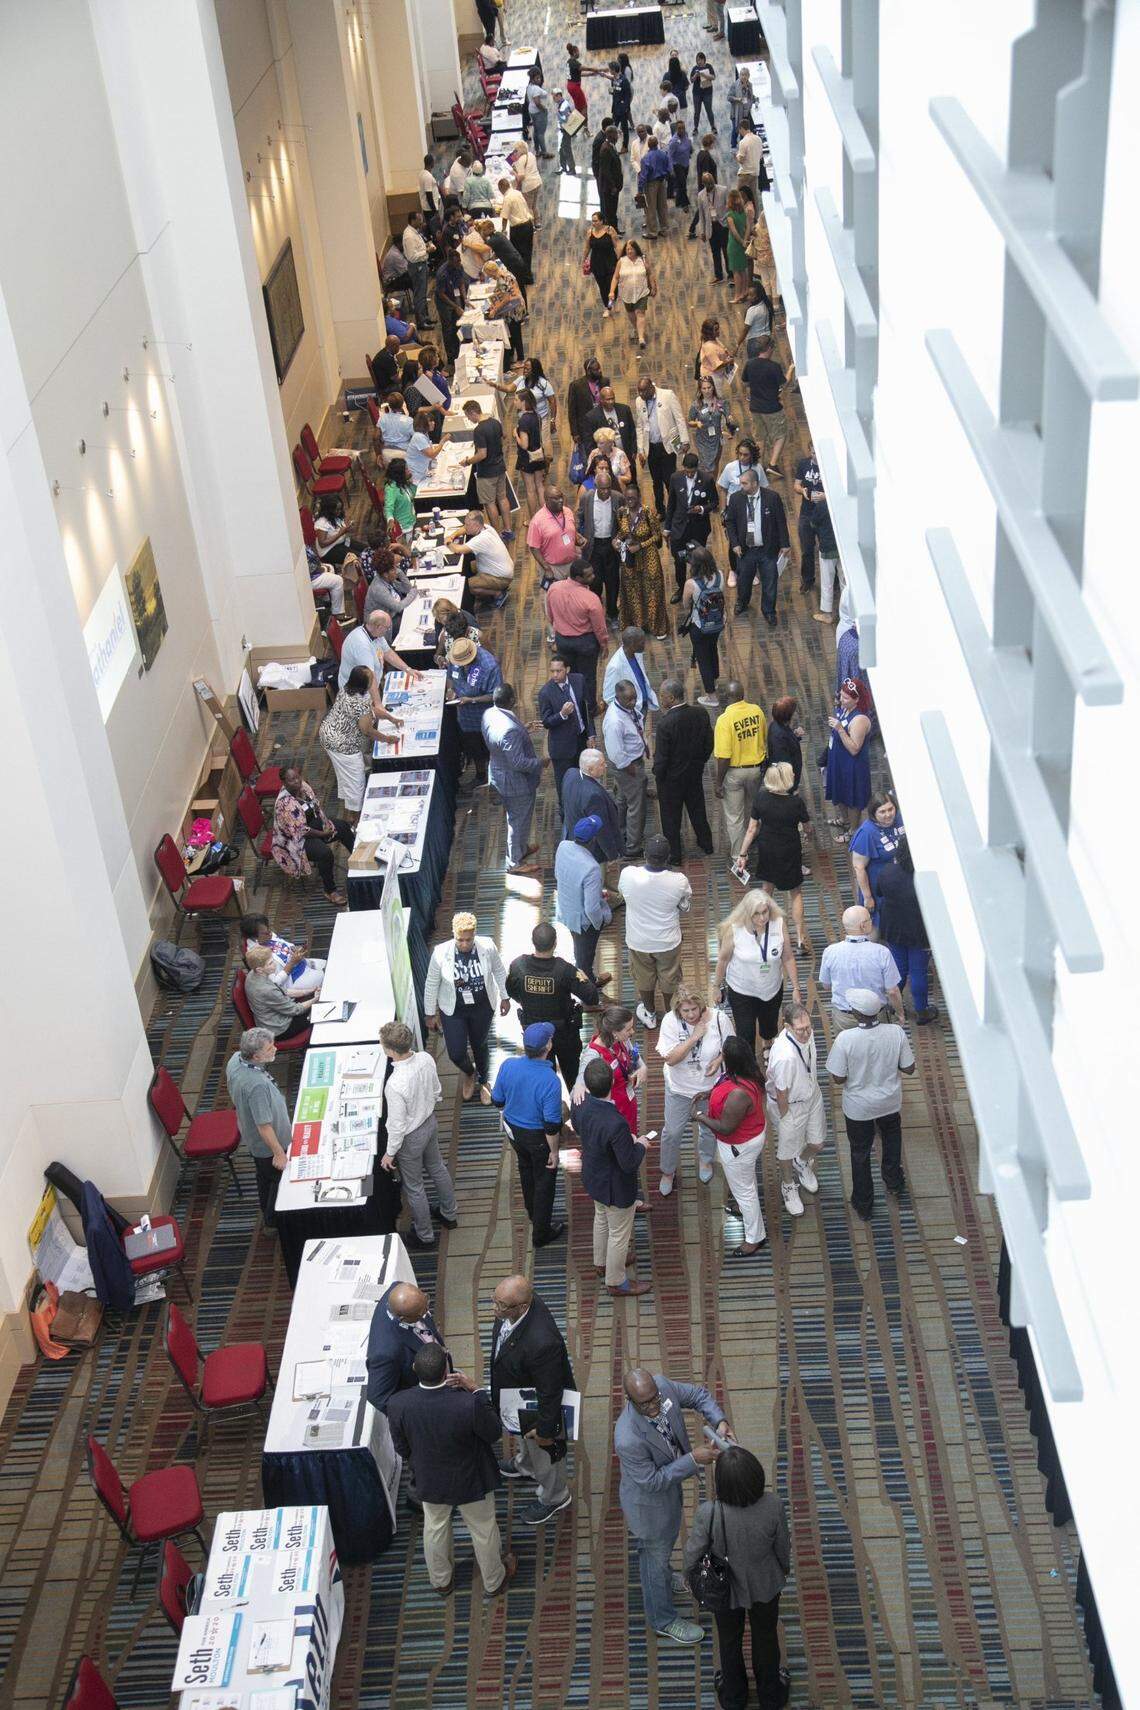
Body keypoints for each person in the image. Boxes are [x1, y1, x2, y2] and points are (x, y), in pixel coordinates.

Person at [386, 1344, 516, 1602]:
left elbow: (401, 1447)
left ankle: (441, 1581)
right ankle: (493, 1581)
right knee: (483, 1528)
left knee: (435, 1527)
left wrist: (422, 1464)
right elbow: (492, 1433)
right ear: (447, 1371)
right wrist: (477, 1390)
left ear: (415, 1369)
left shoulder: (398, 1403)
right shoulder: (468, 1403)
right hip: (471, 1479)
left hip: (430, 1479)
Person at [614, 1368, 729, 1644]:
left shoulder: (663, 1386)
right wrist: (693, 1459)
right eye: (645, 1404)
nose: (654, 1407)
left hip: (668, 1493)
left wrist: (720, 1421)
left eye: (655, 1398)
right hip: (649, 1507)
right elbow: (653, 1481)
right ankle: (663, 1620)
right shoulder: (627, 1438)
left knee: (662, 1551)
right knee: (654, 1558)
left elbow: (698, 1395)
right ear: (629, 1400)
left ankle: (665, 1577)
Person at [682, 1447, 792, 1710]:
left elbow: (693, 1551)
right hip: (765, 1583)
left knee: (729, 1640)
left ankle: (733, 1696)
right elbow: (782, 1546)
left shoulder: (709, 1512)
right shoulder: (773, 1505)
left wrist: (689, 1575)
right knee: (766, 1637)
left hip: (725, 1589)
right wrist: (783, 1570)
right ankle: (771, 1695)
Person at [489, 1276, 576, 1524]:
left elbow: (550, 1392)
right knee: (523, 1439)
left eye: (500, 1305)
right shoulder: (515, 1307)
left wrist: (546, 1430)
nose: (494, 1309)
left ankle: (555, 1496)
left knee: (546, 1454)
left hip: (539, 1408)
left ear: (522, 1307)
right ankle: (525, 1465)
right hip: (518, 1395)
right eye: (494, 1300)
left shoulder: (543, 1342)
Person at [827, 988, 916, 1219]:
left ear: (856, 1014)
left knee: (860, 1153)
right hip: (890, 1102)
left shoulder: (845, 1039)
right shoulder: (896, 1032)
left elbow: (838, 1078)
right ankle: (894, 1181)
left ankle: (864, 1203)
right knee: (892, 1141)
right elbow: (909, 1068)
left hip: (858, 1108)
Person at [573, 1058, 652, 1296]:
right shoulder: (616, 1123)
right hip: (615, 1187)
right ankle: (616, 1282)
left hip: (593, 1176)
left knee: (601, 1217)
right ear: (611, 1084)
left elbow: (578, 1128)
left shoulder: (580, 1103)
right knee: (619, 1234)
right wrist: (640, 1145)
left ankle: (601, 1262)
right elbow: (628, 1162)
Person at [378, 1021, 458, 1251]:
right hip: (430, 1123)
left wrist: (389, 1153)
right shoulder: (425, 1058)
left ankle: (425, 1236)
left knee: (414, 1187)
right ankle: (449, 1214)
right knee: (437, 1168)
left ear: (391, 1050)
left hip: (410, 1138)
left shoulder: (394, 1084)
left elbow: (397, 1125)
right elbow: (436, 1089)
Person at [490, 1023, 566, 1247]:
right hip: (538, 1138)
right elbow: (551, 1125)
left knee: (525, 1169)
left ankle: (533, 1212)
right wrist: (554, 1152)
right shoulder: (550, 1080)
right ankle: (541, 1233)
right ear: (548, 1046)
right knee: (544, 1182)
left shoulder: (508, 1065)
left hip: (514, 1132)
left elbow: (497, 1100)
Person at [693, 1033, 769, 1253]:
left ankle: (755, 1237)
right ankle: (744, 1207)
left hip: (739, 1145)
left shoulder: (738, 1094)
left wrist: (699, 1117)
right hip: (748, 1138)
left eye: (722, 1054)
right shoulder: (743, 1073)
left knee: (745, 1191)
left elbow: (725, 1127)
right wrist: (709, 1094)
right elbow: (723, 1085)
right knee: (745, 1182)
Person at [424, 913, 509, 1102]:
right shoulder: (440, 952)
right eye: (460, 939)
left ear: (474, 934)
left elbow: (499, 971)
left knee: (480, 1044)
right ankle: (470, 1072)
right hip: (454, 1010)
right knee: (455, 1053)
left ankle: (484, 1080)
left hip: (482, 1007)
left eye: (468, 940)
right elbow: (431, 983)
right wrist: (429, 1013)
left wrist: (505, 996)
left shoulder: (487, 946)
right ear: (453, 934)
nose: (464, 944)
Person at [656, 986, 732, 1195]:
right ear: (678, 1010)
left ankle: (706, 1160)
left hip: (710, 1089)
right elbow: (671, 1059)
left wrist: (719, 1059)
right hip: (679, 1090)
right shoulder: (670, 1022)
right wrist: (694, 1038)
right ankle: (668, 1171)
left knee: (709, 1128)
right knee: (672, 1132)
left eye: (694, 1009)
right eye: (685, 1011)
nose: (690, 1015)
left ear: (701, 1006)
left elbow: (730, 1046)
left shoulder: (719, 1019)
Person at [507, 922, 601, 1090]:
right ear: (555, 943)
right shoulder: (565, 970)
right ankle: (576, 1102)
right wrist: (585, 979)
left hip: (535, 1034)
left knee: (543, 1081)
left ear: (533, 942)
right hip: (565, 1033)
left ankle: (550, 1104)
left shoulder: (518, 966)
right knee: (573, 1077)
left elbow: (512, 992)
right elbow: (592, 997)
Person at [711, 890, 801, 1060]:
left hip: (771, 988)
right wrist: (716, 986)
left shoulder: (778, 924)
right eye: (756, 914)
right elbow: (723, 960)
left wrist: (796, 987)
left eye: (765, 912)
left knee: (769, 1024)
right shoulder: (734, 929)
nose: (762, 918)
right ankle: (749, 1063)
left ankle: (768, 1044)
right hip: (741, 990)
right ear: (747, 913)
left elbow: (788, 957)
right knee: (745, 1031)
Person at [736, 762, 812, 951]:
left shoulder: (761, 798)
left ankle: (761, 930)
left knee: (767, 889)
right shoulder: (796, 803)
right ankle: (800, 937)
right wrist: (808, 834)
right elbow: (808, 827)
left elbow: (752, 829)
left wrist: (742, 853)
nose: (794, 775)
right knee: (795, 892)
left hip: (768, 847)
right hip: (790, 849)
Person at [618, 835, 692, 1029]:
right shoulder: (679, 880)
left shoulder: (628, 874)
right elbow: (685, 905)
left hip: (638, 940)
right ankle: (671, 1016)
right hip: (668, 941)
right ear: (668, 858)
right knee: (670, 978)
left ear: (645, 854)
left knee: (644, 977)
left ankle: (650, 1013)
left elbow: (623, 894)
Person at [765, 1002, 826, 1219]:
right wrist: (785, 1118)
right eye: (800, 1030)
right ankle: (788, 1184)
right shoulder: (785, 1056)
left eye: (808, 1027)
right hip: (790, 1105)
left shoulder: (807, 1035)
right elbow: (781, 1093)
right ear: (787, 1027)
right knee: (786, 1151)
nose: (806, 1033)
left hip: (812, 1094)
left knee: (817, 1143)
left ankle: (801, 1162)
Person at [226, 1028, 290, 1228]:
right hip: (268, 1146)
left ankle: (268, 1215)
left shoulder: (236, 1059)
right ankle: (272, 1221)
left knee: (264, 1178)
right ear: (256, 1056)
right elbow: (264, 1126)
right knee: (277, 1181)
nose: (275, 1049)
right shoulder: (257, 1086)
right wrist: (278, 1153)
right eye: (270, 1049)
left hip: (251, 1135)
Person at [365, 1280, 450, 1418]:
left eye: (426, 1301)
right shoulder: (386, 1353)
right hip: (426, 1394)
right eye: (421, 1314)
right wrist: (415, 1416)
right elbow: (378, 1397)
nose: (427, 1313)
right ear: (403, 1318)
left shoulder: (399, 1289)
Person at [270, 765, 353, 905]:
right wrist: (324, 833)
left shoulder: (303, 787)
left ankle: (358, 859)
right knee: (325, 854)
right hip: (295, 841)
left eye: (297, 777)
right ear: (284, 783)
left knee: (343, 827)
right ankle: (330, 891)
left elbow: (315, 807)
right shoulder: (285, 804)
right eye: (291, 780)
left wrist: (325, 824)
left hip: (312, 826)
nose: (296, 781)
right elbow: (301, 831)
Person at [318, 666, 397, 813]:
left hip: (327, 734)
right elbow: (367, 730)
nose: (374, 680)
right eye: (371, 678)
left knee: (345, 774)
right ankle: (355, 815)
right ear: (363, 683)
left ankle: (349, 805)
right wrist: (387, 739)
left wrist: (390, 718)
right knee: (356, 781)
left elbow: (371, 711)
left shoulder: (346, 689)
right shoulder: (358, 703)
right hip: (343, 745)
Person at [482, 683, 542, 875]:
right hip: (515, 782)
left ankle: (521, 849)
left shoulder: (489, 713)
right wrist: (540, 763)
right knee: (518, 821)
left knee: (518, 818)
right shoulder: (510, 730)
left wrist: (523, 730)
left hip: (498, 773)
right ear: (512, 701)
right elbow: (518, 763)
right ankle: (514, 863)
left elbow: (499, 742)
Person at [653, 676, 714, 860]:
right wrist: (700, 762)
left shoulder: (665, 724)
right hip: (694, 774)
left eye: (662, 696)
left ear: (671, 698)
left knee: (671, 817)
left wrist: (658, 775)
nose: (660, 699)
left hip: (671, 780)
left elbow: (662, 758)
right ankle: (706, 844)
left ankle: (675, 854)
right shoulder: (700, 713)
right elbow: (709, 743)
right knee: (698, 810)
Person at [877, 842, 939, 1024]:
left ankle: (894, 1003)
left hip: (894, 928)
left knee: (899, 968)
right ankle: (922, 1010)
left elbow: (879, 892)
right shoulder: (925, 879)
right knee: (918, 971)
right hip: (920, 932)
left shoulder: (887, 872)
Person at [819, 905, 905, 1030]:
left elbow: (826, 985)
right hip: (875, 1016)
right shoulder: (882, 952)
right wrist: (900, 1013)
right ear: (863, 925)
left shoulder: (830, 951)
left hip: (844, 1017)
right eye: (870, 919)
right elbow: (892, 991)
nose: (872, 922)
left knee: (846, 1043)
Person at [724, 467, 790, 624]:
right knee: (744, 581)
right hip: (746, 550)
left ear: (754, 483)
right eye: (741, 483)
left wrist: (785, 544)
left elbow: (781, 521)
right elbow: (730, 522)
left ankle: (769, 611)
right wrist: (735, 543)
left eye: (744, 483)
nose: (741, 486)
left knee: (770, 582)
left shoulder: (772, 498)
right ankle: (742, 602)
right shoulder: (735, 498)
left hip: (767, 549)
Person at [546, 560, 608, 712]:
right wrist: (604, 644)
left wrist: (559, 628)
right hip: (585, 642)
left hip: (562, 640)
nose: (593, 576)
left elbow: (550, 614)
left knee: (569, 674)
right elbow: (599, 627)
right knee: (588, 676)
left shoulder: (554, 588)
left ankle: (572, 704)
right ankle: (590, 708)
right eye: (589, 575)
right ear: (579, 578)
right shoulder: (591, 599)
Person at [714, 682, 768, 857]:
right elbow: (763, 738)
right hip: (756, 770)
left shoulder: (724, 720)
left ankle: (739, 856)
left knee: (734, 817)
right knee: (753, 808)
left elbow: (724, 757)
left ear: (727, 697)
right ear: (743, 694)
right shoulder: (756, 711)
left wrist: (718, 783)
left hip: (734, 773)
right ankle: (754, 837)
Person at [445, 634, 502, 784]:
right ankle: (480, 775)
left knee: (492, 749)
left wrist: (471, 700)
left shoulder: (489, 666)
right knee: (473, 748)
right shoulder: (455, 657)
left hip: (486, 717)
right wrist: (450, 690)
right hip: (465, 718)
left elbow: (495, 695)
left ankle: (498, 777)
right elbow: (450, 676)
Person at [615, 481, 668, 639]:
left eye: (633, 498)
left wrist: (641, 545)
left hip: (649, 555)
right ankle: (638, 624)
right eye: (627, 498)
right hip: (630, 558)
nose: (630, 501)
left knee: (653, 589)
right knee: (633, 590)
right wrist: (616, 540)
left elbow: (657, 536)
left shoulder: (647, 512)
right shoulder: (621, 513)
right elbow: (622, 532)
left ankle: (657, 626)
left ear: (639, 497)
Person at [603, 680, 649, 858]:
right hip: (627, 765)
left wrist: (644, 745)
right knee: (636, 805)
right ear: (618, 697)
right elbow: (616, 753)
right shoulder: (614, 721)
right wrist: (630, 769)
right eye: (629, 699)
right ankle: (633, 846)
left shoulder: (626, 709)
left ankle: (621, 833)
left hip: (632, 761)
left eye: (634, 698)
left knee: (622, 799)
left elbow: (636, 725)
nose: (633, 702)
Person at [823, 678, 873, 839]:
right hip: (838, 761)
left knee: (851, 798)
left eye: (845, 698)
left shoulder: (860, 720)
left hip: (851, 766)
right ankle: (844, 820)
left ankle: (853, 830)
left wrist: (839, 729)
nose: (841, 699)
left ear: (857, 700)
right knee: (839, 792)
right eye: (841, 695)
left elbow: (854, 749)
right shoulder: (845, 708)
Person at [575, 471, 626, 625]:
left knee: (613, 582)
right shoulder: (587, 498)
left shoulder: (618, 498)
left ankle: (612, 613)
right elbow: (578, 517)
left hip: (611, 546)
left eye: (608, 488)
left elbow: (625, 520)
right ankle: (597, 613)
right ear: (596, 486)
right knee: (594, 582)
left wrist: (620, 538)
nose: (605, 491)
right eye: (602, 488)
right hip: (593, 546)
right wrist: (577, 534)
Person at [664, 452, 718, 596]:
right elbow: (671, 504)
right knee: (679, 560)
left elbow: (714, 502)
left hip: (698, 528)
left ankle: (698, 588)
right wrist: (667, 528)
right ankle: (681, 588)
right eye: (686, 472)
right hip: (679, 527)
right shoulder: (675, 478)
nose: (689, 474)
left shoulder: (707, 479)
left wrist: (702, 509)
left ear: (697, 468)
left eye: (692, 472)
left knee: (698, 560)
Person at [538, 654, 591, 799]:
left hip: (581, 741)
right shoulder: (545, 693)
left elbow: (586, 709)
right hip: (562, 749)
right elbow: (546, 722)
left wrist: (591, 734)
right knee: (565, 787)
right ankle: (565, 812)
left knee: (584, 779)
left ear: (567, 669)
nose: (555, 675)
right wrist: (562, 714)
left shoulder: (579, 680)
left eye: (558, 671)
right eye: (552, 671)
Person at [633, 376, 688, 515]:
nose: (641, 394)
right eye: (639, 391)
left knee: (669, 479)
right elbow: (639, 426)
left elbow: (679, 419)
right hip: (651, 447)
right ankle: (661, 511)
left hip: (667, 445)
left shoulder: (667, 395)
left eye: (644, 391)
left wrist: (685, 440)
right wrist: (641, 450)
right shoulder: (639, 401)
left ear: (651, 388)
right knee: (656, 481)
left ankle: (675, 509)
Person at [742, 333, 794, 479]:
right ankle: (772, 464)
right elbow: (784, 384)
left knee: (760, 437)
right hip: (772, 408)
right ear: (769, 348)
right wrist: (791, 369)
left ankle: (758, 465)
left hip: (755, 407)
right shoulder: (774, 367)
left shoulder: (750, 364)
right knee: (781, 435)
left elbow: (745, 382)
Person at [680, 545, 727, 705]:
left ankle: (711, 696)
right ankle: (714, 679)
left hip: (699, 626)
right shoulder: (720, 575)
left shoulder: (691, 583)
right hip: (718, 623)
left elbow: (685, 604)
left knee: (703, 658)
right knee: (712, 650)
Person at [243, 945, 319, 1040]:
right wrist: (316, 999)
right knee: (319, 1010)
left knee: (312, 1000)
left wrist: (310, 991)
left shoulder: (253, 974)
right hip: (281, 1028)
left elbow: (283, 991)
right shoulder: (266, 990)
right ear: (259, 969)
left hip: (271, 1018)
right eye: (270, 963)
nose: (275, 964)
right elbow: (295, 1010)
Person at [241, 914, 325, 1000]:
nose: (270, 933)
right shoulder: (259, 957)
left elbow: (283, 944)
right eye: (266, 932)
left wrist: (294, 949)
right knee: (327, 976)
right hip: (295, 979)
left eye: (268, 928)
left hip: (303, 964)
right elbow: (275, 984)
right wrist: (292, 963)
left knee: (328, 964)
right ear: (255, 938)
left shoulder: (266, 936)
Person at [560, 749, 622, 863]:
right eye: (601, 764)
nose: (606, 766)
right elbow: (601, 829)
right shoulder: (594, 796)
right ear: (590, 769)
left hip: (571, 833)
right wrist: (612, 854)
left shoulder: (570, 773)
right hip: (591, 849)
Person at [337, 608, 419, 693]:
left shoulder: (374, 633)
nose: (388, 630)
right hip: (357, 692)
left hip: (372, 682)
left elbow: (388, 652)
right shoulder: (361, 645)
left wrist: (408, 669)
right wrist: (378, 701)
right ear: (379, 627)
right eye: (387, 628)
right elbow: (370, 678)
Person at [463, 400, 512, 540]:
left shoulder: (479, 430)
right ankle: (508, 529)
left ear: (473, 412)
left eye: (468, 416)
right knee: (502, 498)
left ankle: (496, 534)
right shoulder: (495, 422)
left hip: (486, 472)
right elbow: (504, 436)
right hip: (500, 467)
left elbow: (482, 454)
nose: (469, 419)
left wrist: (468, 461)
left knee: (490, 503)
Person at [850, 792, 905, 912]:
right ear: (874, 813)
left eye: (890, 809)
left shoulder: (900, 819)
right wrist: (868, 897)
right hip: (880, 890)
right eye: (882, 812)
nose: (888, 814)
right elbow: (859, 867)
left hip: (901, 883)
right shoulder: (866, 833)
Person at [446, 510, 515, 604]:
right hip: (502, 570)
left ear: (477, 525)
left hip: (501, 578)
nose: (465, 527)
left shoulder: (481, 539)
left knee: (466, 586)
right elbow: (464, 529)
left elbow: (458, 550)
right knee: (468, 566)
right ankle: (492, 586)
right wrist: (452, 536)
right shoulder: (486, 527)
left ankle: (498, 594)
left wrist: (448, 542)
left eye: (468, 525)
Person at [527, 485, 584, 585]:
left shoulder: (568, 512)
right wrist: (546, 568)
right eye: (556, 498)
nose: (561, 500)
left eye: (561, 496)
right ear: (546, 500)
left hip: (572, 564)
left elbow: (572, 532)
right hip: (553, 568)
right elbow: (534, 548)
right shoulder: (537, 521)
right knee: (555, 595)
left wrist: (578, 539)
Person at [609, 240, 655, 352]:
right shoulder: (621, 262)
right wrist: (612, 291)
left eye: (631, 249)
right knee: (631, 314)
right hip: (627, 293)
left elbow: (649, 274)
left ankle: (641, 338)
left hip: (641, 292)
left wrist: (653, 287)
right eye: (627, 249)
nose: (629, 251)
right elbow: (615, 277)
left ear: (636, 249)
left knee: (640, 313)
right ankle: (637, 329)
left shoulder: (642, 260)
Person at [602, 625, 658, 719]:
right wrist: (627, 713)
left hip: (642, 704)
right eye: (642, 642)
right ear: (632, 644)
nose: (644, 645)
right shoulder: (615, 666)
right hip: (631, 712)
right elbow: (609, 697)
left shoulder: (637, 653)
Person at [689, 375, 736, 478]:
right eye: (704, 388)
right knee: (705, 464)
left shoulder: (721, 402)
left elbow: (728, 416)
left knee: (715, 463)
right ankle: (704, 483)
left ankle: (712, 483)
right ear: (700, 390)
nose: (707, 391)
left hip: (716, 439)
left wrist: (730, 418)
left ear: (713, 387)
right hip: (702, 439)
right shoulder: (696, 405)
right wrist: (696, 423)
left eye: (709, 387)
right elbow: (689, 421)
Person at [512, 388, 547, 517]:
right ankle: (546, 517)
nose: (514, 402)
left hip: (527, 458)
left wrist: (516, 435)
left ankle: (533, 519)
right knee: (540, 486)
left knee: (530, 490)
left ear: (523, 402)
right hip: (538, 455)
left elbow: (524, 445)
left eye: (516, 399)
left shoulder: (523, 420)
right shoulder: (537, 416)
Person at [583, 385, 637, 466]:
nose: (611, 401)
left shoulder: (624, 410)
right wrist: (598, 460)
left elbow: (632, 431)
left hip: (627, 457)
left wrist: (634, 450)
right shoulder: (592, 417)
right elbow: (589, 442)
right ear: (601, 400)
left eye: (612, 398)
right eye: (608, 399)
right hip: (606, 461)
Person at [582, 211, 620, 318]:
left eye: (596, 221)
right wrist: (583, 260)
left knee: (612, 286)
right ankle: (607, 306)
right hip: (597, 264)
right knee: (603, 287)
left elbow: (617, 245)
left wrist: (621, 260)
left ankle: (611, 303)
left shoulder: (610, 230)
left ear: (602, 221)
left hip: (610, 262)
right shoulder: (590, 232)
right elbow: (587, 247)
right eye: (592, 221)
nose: (593, 223)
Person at [362, 549, 416, 621]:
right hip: (379, 624)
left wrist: (398, 571)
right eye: (393, 569)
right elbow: (398, 607)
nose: (396, 569)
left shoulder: (387, 579)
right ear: (385, 574)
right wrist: (413, 592)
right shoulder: (379, 588)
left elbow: (407, 589)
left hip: (391, 614)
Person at [696, 171, 730, 283]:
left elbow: (729, 208)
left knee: (726, 251)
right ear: (704, 184)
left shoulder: (723, 190)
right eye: (708, 184)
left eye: (711, 183)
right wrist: (702, 231)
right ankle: (718, 276)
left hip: (722, 225)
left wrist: (727, 221)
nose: (710, 185)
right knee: (715, 252)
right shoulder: (701, 195)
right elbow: (701, 215)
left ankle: (730, 274)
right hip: (711, 227)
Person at [637, 133, 671, 240]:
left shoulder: (645, 158)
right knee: (662, 206)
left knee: (650, 208)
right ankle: (664, 229)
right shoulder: (664, 154)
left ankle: (652, 232)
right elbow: (669, 169)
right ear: (657, 144)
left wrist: (640, 189)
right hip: (662, 182)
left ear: (648, 145)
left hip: (651, 184)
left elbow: (643, 176)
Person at [498, 175, 535, 273]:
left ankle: (519, 274)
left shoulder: (507, 198)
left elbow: (504, 217)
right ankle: (527, 272)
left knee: (517, 252)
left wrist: (503, 230)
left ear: (501, 188)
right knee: (527, 252)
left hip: (519, 229)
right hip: (528, 225)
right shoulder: (517, 193)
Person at [766, 695, 804, 788]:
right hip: (786, 783)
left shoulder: (777, 725)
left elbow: (787, 745)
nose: (795, 714)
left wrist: (795, 736)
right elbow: (783, 762)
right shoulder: (779, 734)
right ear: (788, 716)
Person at [725, 189, 751, 303]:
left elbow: (734, 232)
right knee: (743, 270)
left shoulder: (730, 215)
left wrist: (741, 241)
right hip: (743, 245)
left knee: (736, 272)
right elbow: (748, 227)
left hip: (734, 245)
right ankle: (744, 292)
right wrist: (745, 241)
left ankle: (737, 295)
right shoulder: (744, 213)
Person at [596, 126, 624, 228]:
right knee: (610, 210)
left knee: (613, 208)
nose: (618, 136)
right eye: (616, 134)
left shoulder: (611, 145)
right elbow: (605, 171)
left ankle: (615, 229)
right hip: (609, 187)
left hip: (614, 185)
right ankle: (612, 231)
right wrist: (612, 186)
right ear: (611, 135)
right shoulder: (606, 149)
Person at [382, 457, 417, 538]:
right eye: (406, 469)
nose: (409, 471)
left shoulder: (403, 483)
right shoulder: (391, 489)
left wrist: (411, 480)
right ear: (400, 473)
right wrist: (390, 520)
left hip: (412, 521)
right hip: (405, 529)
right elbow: (388, 508)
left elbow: (414, 493)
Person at [735, 115, 766, 208]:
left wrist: (736, 156)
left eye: (739, 130)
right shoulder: (758, 139)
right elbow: (761, 156)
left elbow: (741, 160)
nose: (739, 132)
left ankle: (739, 213)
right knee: (753, 195)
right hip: (755, 172)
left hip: (745, 173)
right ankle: (756, 214)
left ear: (741, 128)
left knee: (738, 195)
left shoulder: (743, 142)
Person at [526, 68, 552, 158]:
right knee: (541, 133)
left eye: (539, 77)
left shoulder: (529, 86)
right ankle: (544, 152)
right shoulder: (536, 89)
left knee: (536, 131)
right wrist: (543, 109)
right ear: (532, 79)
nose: (539, 79)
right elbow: (537, 102)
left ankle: (537, 150)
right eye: (537, 78)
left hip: (532, 111)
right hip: (538, 113)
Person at [667, 118, 693, 210]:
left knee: (681, 183)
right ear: (676, 129)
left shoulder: (686, 135)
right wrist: (671, 170)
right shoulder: (673, 141)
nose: (681, 130)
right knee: (683, 185)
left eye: (683, 128)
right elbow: (669, 156)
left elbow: (689, 146)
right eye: (679, 128)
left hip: (686, 163)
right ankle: (685, 204)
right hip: (677, 165)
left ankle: (678, 201)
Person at [691, 52, 716, 131]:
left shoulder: (709, 66)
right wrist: (696, 75)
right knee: (697, 112)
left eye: (700, 60)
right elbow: (691, 80)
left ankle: (713, 126)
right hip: (697, 93)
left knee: (709, 110)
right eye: (697, 60)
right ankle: (695, 128)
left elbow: (713, 77)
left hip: (707, 93)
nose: (699, 62)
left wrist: (703, 74)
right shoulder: (694, 68)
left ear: (704, 59)